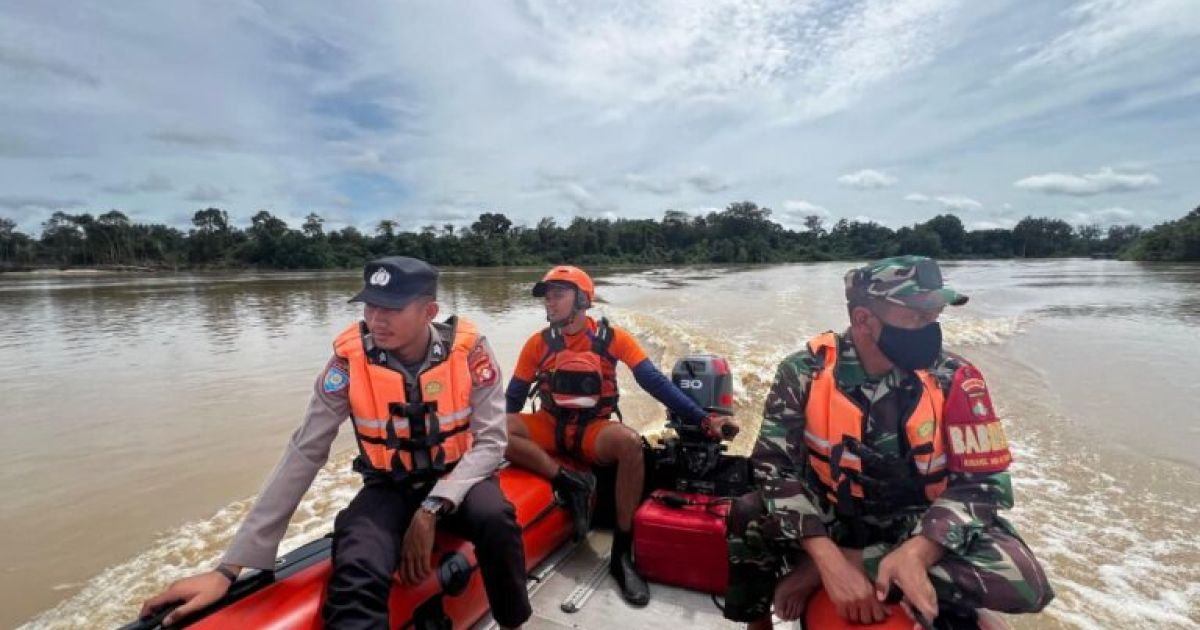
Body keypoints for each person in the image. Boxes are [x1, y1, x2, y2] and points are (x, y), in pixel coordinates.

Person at [140, 257, 530, 630]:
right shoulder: (347, 363)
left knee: (497, 519)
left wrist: (431, 508)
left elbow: (491, 442)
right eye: (370, 307)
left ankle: (512, 623)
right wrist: (232, 566)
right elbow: (305, 450)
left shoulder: (470, 352)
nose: (376, 320)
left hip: (458, 479)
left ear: (429, 312)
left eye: (391, 309)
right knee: (357, 562)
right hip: (389, 486)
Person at [724, 256, 1054, 629]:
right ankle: (758, 622)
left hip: (918, 519)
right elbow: (772, 466)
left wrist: (918, 550)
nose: (930, 328)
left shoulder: (955, 378)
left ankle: (854, 567)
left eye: (936, 315)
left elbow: (984, 485)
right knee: (748, 511)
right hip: (832, 514)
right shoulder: (804, 372)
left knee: (1025, 582)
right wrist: (824, 554)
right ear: (864, 319)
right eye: (918, 316)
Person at [503, 265, 737, 607]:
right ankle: (571, 482)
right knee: (495, 429)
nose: (549, 303)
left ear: (582, 299)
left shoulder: (613, 339)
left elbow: (653, 382)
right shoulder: (538, 343)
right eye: (547, 297)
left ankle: (621, 555)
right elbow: (513, 399)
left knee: (629, 445)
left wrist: (704, 420)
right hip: (550, 425)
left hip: (592, 430)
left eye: (558, 295)